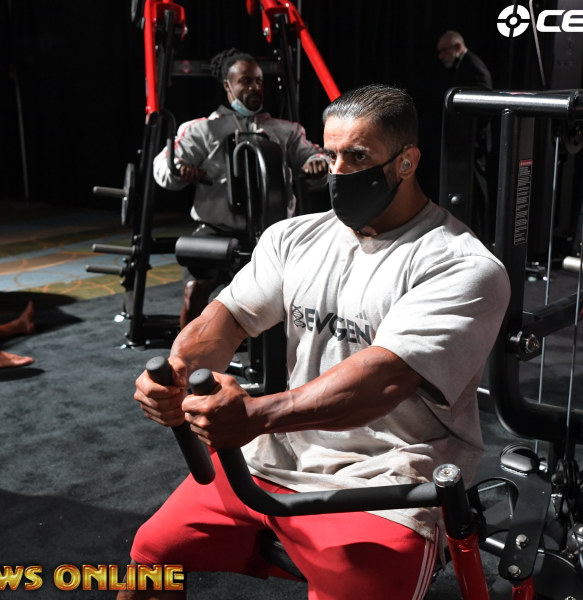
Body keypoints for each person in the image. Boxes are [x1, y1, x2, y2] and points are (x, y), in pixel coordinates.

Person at [123, 84, 510, 600]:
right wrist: (176, 374)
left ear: (406, 162)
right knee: (151, 555)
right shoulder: (294, 238)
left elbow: (383, 380)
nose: (339, 172)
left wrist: (255, 414)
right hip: (275, 456)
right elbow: (226, 319)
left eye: (358, 156)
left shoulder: (461, 265)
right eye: (331, 156)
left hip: (388, 477)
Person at [153, 48, 329, 328]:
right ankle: (187, 351)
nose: (254, 87)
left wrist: (317, 164)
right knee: (195, 290)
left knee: (297, 292)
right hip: (217, 231)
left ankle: (279, 349)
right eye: (245, 81)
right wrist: (180, 170)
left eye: (258, 81)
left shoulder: (286, 130)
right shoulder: (202, 130)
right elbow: (164, 165)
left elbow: (317, 156)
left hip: (271, 233)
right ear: (228, 86)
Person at [431, 31, 494, 242]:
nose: (441, 56)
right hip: (464, 143)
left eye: (444, 50)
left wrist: (471, 134)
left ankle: (481, 237)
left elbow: (486, 102)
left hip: (473, 144)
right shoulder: (463, 65)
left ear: (457, 47)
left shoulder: (474, 66)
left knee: (477, 192)